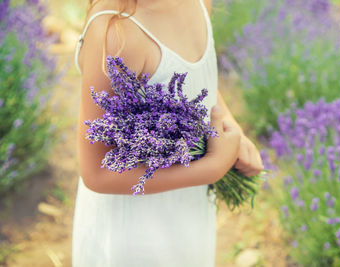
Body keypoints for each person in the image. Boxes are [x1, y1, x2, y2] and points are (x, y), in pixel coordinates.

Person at [72, 0, 263, 266]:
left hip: (187, 208)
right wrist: (214, 166)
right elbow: (97, 173)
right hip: (134, 236)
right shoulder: (117, 32)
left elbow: (194, 83)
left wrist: (229, 125)